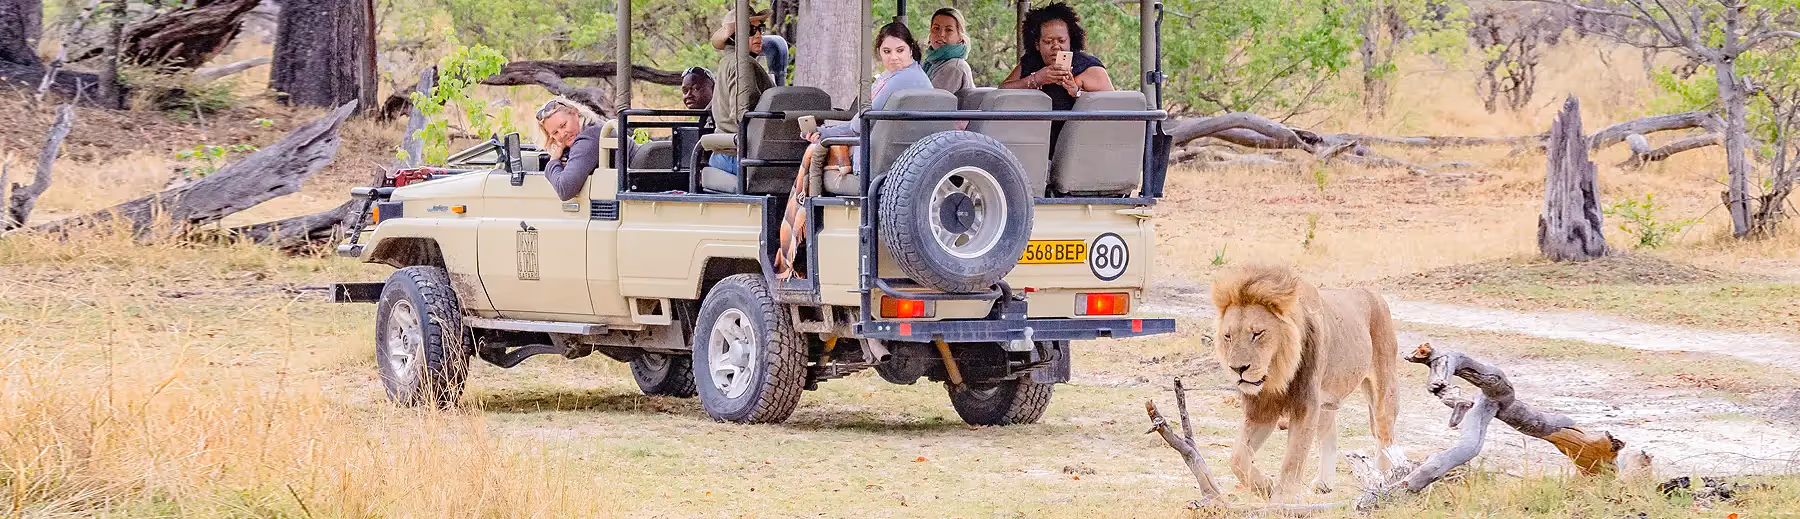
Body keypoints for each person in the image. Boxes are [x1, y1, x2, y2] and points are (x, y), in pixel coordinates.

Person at [775, 22, 933, 279]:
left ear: (911, 50)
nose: (894, 57)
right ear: (879, 53)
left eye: (900, 50)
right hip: (902, 160)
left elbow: (859, 125)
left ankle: (798, 249)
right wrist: (826, 132)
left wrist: (824, 134)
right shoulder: (915, 76)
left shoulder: (901, 80)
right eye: (887, 51)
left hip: (877, 161)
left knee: (816, 152)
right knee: (822, 142)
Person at [999, 1, 1115, 112]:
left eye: (1061, 41)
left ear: (1070, 40)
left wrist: (1076, 92)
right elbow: (1002, 92)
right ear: (1037, 44)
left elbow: (1112, 107)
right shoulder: (1030, 62)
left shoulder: (1089, 67)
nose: (1056, 46)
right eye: (1048, 42)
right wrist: (1036, 79)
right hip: (1032, 130)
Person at [707, 6, 777, 175]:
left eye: (760, 29)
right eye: (751, 30)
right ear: (733, 37)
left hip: (729, 153)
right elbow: (743, 114)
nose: (759, 35)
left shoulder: (730, 61)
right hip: (738, 156)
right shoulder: (742, 63)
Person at [536, 97, 607, 201]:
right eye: (555, 133)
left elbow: (565, 190)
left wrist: (553, 161)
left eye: (563, 125)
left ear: (575, 113)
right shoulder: (595, 126)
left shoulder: (587, 139)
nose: (562, 134)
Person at [922, 7, 975, 95]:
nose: (941, 34)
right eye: (936, 28)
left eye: (949, 30)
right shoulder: (931, 63)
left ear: (960, 38)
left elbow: (930, 103)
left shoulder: (954, 67)